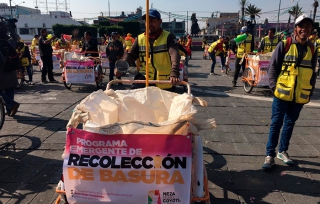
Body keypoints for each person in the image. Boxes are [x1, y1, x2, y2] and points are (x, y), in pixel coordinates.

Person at [262, 14, 317, 169]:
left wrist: (310, 89)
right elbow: (273, 67)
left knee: (290, 123)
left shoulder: (312, 48)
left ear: (311, 30)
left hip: (300, 94)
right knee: (276, 123)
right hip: (282, 93)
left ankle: (283, 151)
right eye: (301, 26)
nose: (304, 30)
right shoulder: (284, 45)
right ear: (296, 29)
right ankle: (269, 154)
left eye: (308, 27)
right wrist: (273, 87)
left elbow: (313, 71)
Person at [122, 9, 180, 91]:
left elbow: (175, 54)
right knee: (134, 97)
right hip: (145, 78)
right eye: (147, 21)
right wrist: (121, 67)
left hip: (163, 81)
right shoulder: (139, 38)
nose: (149, 24)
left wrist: (174, 72)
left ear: (160, 22)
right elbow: (131, 55)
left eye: (152, 21)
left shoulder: (169, 37)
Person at [0, 22, 20, 116]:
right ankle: (9, 110)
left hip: (2, 71)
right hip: (11, 70)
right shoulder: (8, 43)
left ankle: (12, 105)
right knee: (9, 89)